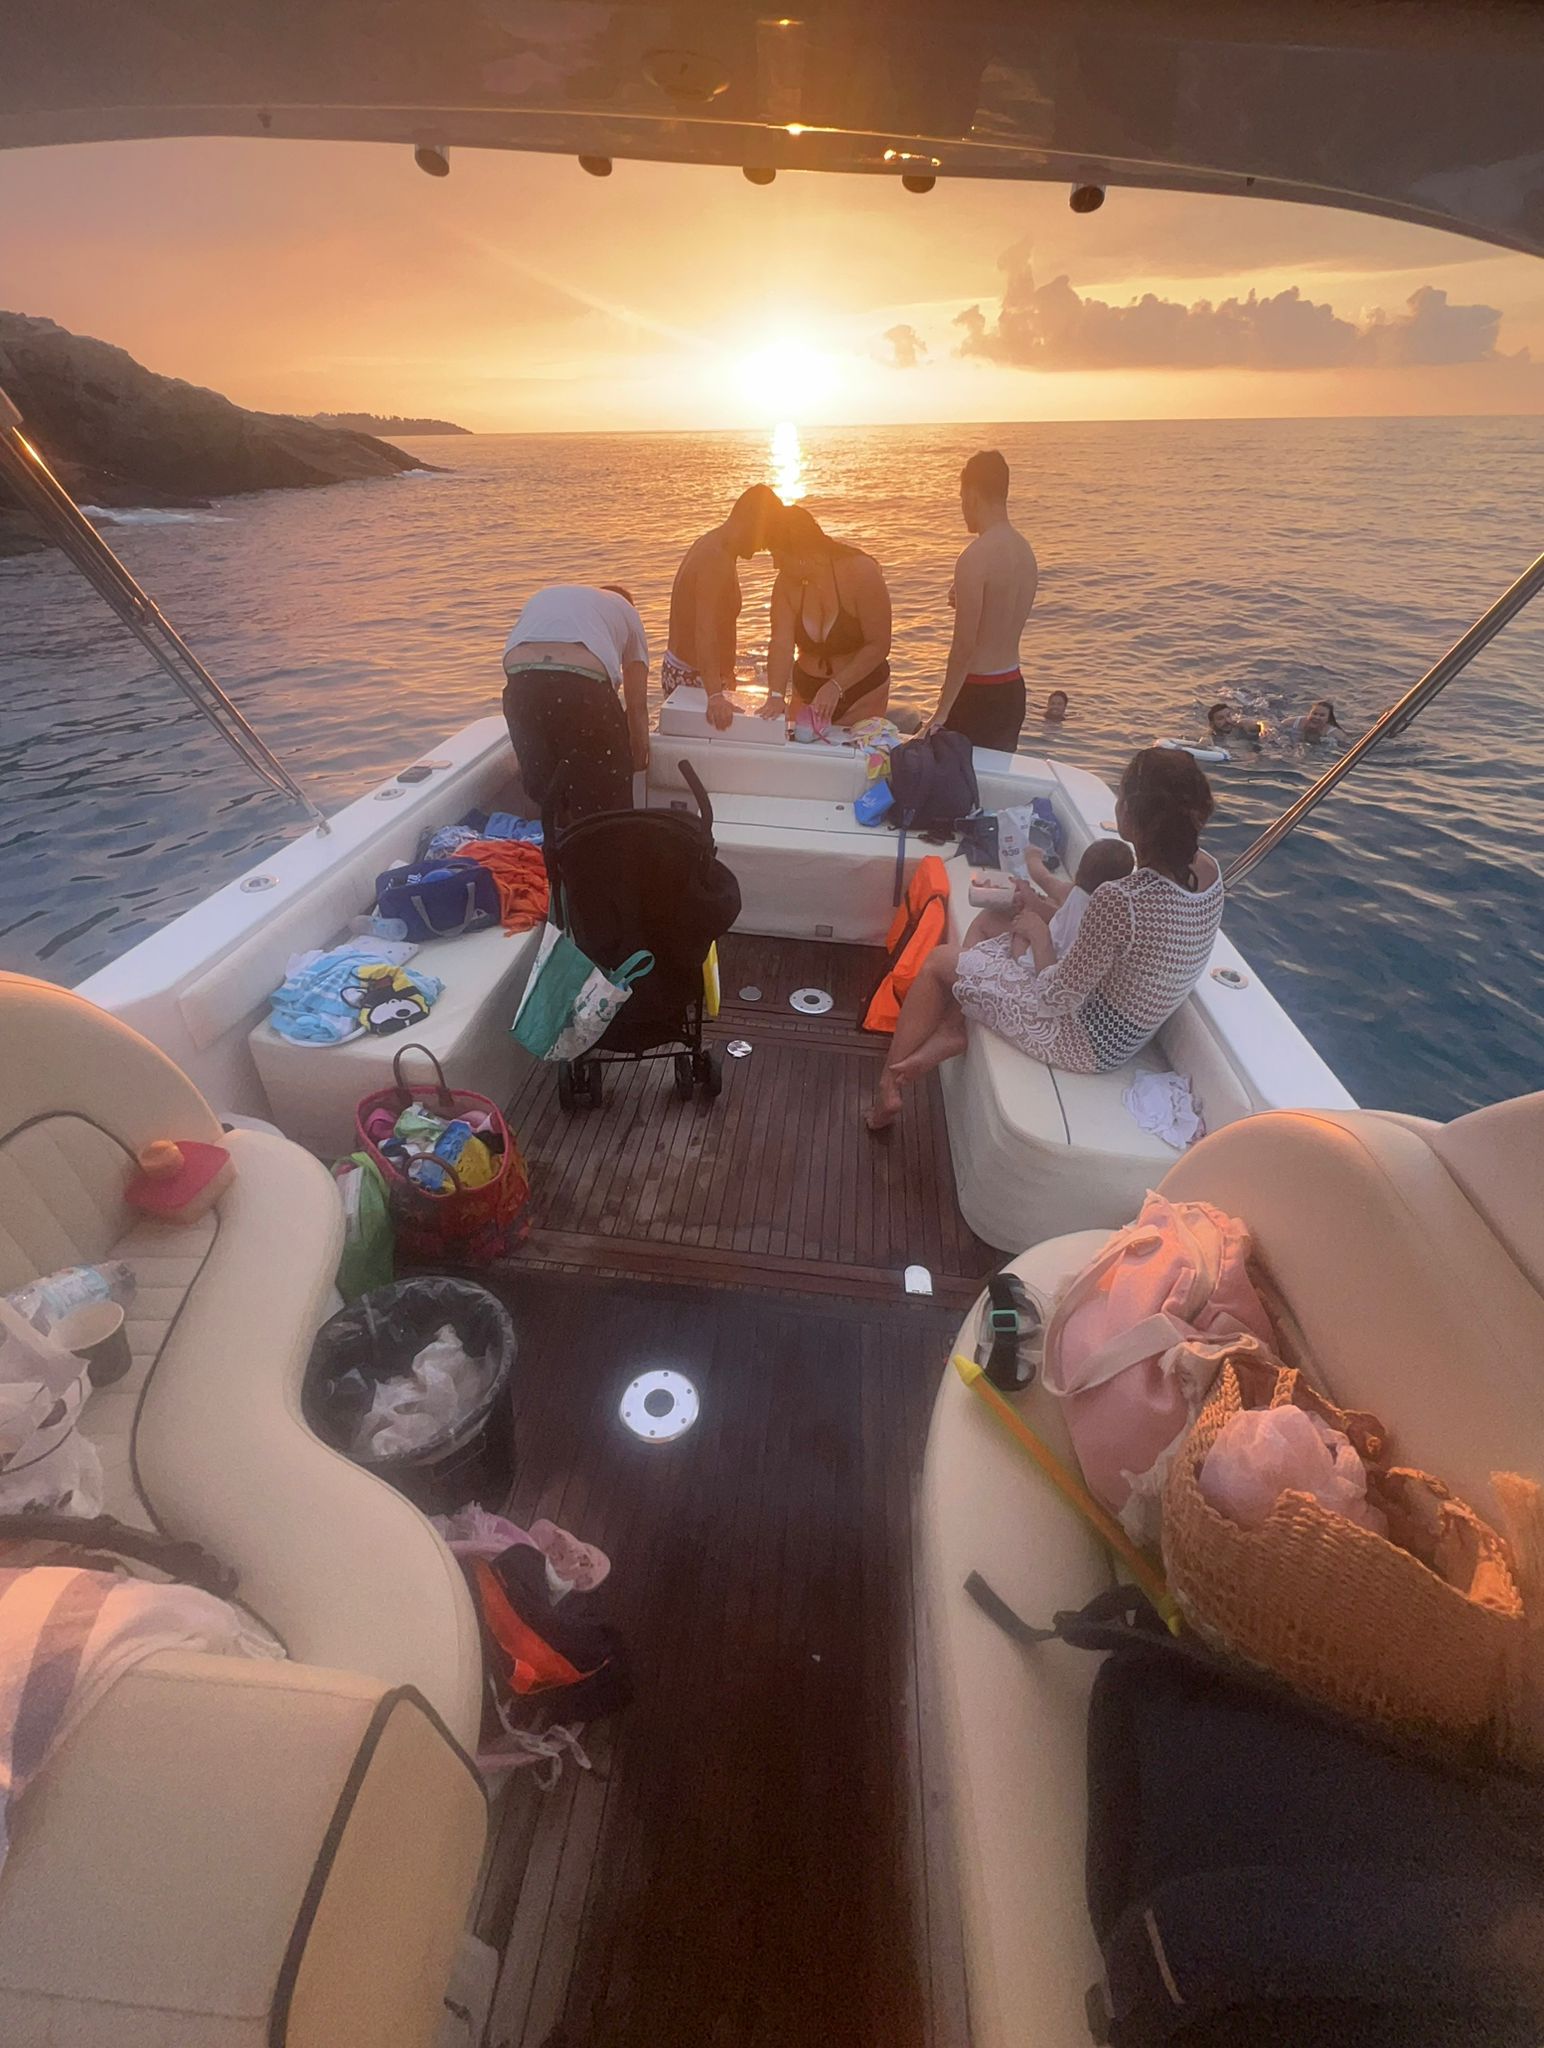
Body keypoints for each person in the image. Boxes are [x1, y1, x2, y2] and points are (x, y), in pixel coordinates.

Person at [866, 748, 1222, 1130]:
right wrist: (1038, 914)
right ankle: (956, 1021)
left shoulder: (1121, 899)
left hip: (1082, 1040)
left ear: (1132, 814)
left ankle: (888, 1087)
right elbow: (1114, 946)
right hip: (1126, 1032)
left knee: (938, 962)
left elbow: (1054, 998)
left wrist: (1038, 936)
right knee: (997, 927)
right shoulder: (1209, 872)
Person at [502, 582, 649, 816]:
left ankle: (545, 833)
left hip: (521, 682)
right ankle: (603, 833)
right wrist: (637, 764)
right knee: (608, 789)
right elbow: (636, 707)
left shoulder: (556, 597)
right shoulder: (628, 611)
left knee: (543, 784)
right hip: (581, 686)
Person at [925, 450, 1040, 750]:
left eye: (962, 498)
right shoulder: (1026, 553)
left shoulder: (974, 558)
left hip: (977, 692)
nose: (962, 508)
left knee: (954, 774)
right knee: (996, 775)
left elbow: (964, 647)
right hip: (1012, 689)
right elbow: (1001, 614)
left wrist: (941, 712)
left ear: (972, 496)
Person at [759, 505, 892, 729]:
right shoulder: (785, 583)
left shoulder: (861, 572)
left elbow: (879, 644)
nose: (775, 565)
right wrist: (775, 695)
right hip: (806, 689)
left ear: (799, 552)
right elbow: (781, 643)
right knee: (799, 746)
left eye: (777, 556)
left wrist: (835, 686)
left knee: (850, 748)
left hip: (861, 691)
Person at [663, 485, 782, 730]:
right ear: (752, 523)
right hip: (694, 678)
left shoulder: (714, 544)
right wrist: (715, 695)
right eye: (765, 537)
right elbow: (704, 630)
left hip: (694, 673)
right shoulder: (715, 559)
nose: (763, 547)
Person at [1017, 840, 1135, 959]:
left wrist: (1032, 857)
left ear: (1079, 871)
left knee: (1018, 936)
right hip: (1069, 961)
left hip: (1042, 956)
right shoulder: (1112, 912)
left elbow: (1042, 877)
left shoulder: (1070, 892)